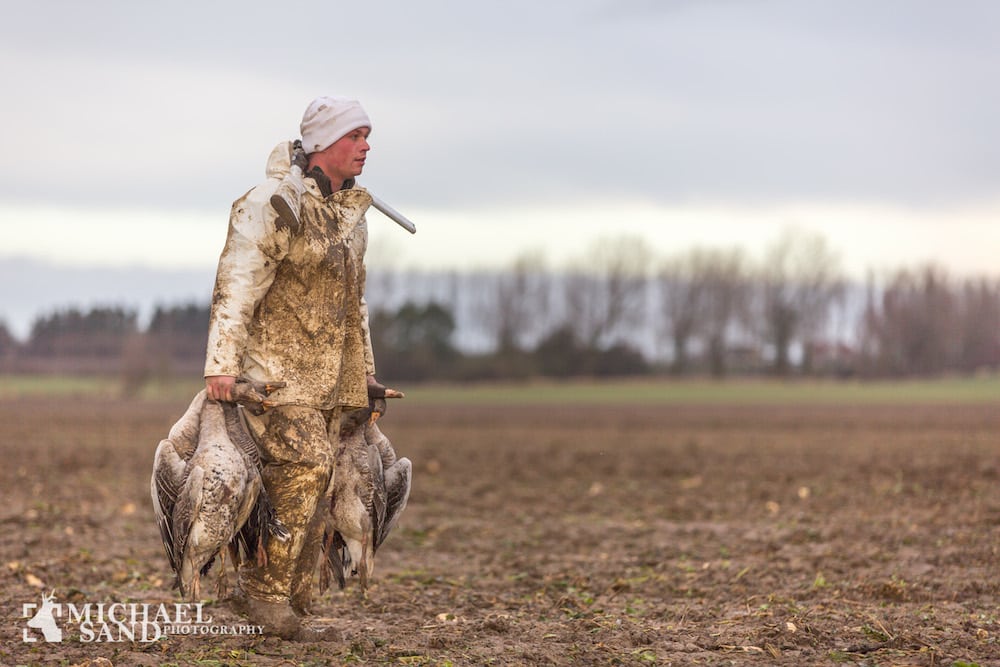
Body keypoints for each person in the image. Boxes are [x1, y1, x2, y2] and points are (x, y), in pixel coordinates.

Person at [203, 96, 378, 640]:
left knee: (323, 476)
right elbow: (236, 284)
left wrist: (365, 376)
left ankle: (290, 607)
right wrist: (221, 366)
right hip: (271, 375)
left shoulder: (349, 217)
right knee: (305, 463)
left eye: (368, 136)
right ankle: (262, 597)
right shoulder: (273, 203)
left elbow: (355, 305)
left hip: (326, 379)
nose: (366, 147)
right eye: (356, 136)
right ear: (324, 143)